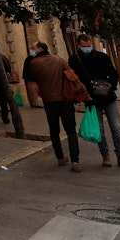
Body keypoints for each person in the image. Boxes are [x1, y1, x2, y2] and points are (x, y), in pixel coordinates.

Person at [71, 35, 120, 169]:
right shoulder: (74, 60)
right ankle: (105, 156)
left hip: (108, 97)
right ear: (78, 45)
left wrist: (110, 87)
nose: (87, 48)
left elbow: (113, 74)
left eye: (89, 46)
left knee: (116, 128)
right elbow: (74, 80)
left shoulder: (101, 56)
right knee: (99, 129)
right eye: (84, 46)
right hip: (91, 100)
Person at [24, 41, 81, 172]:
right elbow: (72, 76)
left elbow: (31, 80)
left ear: (39, 50)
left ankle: (60, 157)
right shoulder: (59, 60)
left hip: (49, 102)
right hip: (65, 100)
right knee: (71, 131)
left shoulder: (33, 63)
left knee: (54, 131)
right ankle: (75, 160)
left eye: (33, 48)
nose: (31, 51)